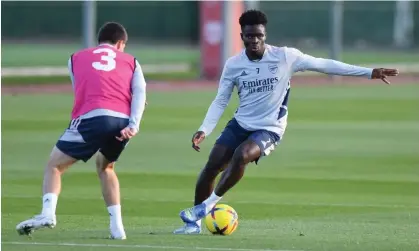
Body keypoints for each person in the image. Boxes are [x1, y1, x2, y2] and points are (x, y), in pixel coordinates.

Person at [173, 9, 399, 234]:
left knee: (242, 155)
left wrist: (370, 72)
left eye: (259, 36)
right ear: (241, 36)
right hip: (241, 123)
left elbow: (324, 64)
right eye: (249, 36)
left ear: (265, 35)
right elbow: (221, 101)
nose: (255, 40)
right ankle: (193, 225)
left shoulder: (284, 57)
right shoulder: (234, 65)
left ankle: (206, 206)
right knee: (212, 166)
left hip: (270, 128)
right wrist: (205, 128)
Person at [16, 22, 147, 240]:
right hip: (122, 121)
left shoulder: (75, 58)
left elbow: (83, 89)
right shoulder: (132, 61)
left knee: (55, 165)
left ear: (99, 41)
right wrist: (133, 125)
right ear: (121, 43)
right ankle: (117, 229)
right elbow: (140, 92)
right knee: (106, 167)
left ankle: (47, 214)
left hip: (92, 116)